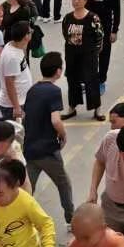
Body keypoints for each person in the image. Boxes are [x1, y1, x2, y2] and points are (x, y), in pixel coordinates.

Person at [24, 52, 74, 222]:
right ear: (58, 72)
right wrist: (63, 134)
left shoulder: (32, 90)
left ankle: (21, 217)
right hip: (47, 150)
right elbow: (55, 120)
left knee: (27, 188)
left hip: (29, 148)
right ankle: (71, 217)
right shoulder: (54, 91)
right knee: (64, 184)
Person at [62, 0, 106, 120]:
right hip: (71, 53)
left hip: (89, 54)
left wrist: (95, 50)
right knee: (72, 79)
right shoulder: (68, 17)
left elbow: (100, 35)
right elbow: (65, 33)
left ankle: (97, 109)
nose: (76, 2)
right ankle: (72, 107)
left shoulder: (93, 17)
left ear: (85, 1)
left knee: (91, 79)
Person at [86, 0, 122, 96]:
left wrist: (114, 31)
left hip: (105, 28)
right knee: (89, 55)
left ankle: (101, 81)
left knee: (104, 55)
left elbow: (117, 12)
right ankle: (89, 80)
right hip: (90, 28)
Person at [0, 20, 34, 121]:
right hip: (14, 105)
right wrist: (16, 107)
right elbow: (9, 83)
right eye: (30, 31)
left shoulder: (13, 45)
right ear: (25, 36)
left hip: (21, 100)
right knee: (18, 135)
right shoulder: (12, 57)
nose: (32, 32)